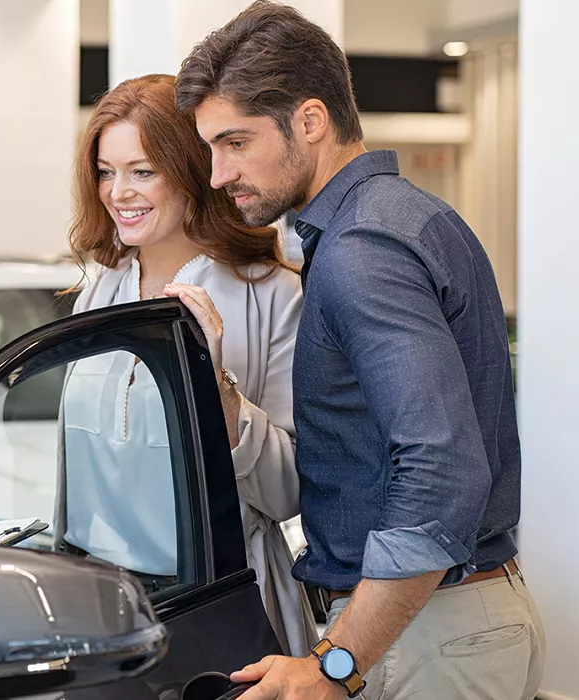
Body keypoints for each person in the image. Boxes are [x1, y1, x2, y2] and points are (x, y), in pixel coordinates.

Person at [175, 3, 545, 699]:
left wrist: (333, 665)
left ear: (308, 120)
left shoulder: (361, 249)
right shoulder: (407, 216)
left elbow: (440, 469)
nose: (219, 173)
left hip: (427, 637)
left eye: (234, 142)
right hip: (445, 627)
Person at [57, 74, 314, 656]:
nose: (118, 191)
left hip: (220, 606)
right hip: (101, 612)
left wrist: (216, 387)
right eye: (105, 171)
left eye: (142, 171)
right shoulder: (99, 292)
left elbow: (287, 493)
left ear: (194, 173)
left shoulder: (272, 296)